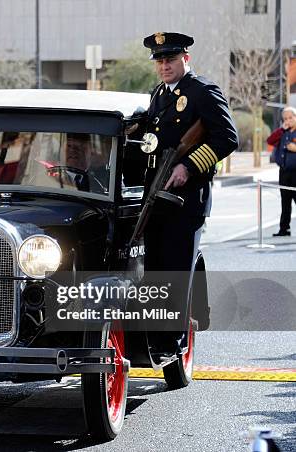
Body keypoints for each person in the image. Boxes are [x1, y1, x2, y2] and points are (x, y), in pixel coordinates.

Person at [140, 32, 238, 345]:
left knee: (176, 264)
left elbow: (227, 138)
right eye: (160, 61)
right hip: (158, 194)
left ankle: (174, 340)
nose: (164, 66)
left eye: (170, 59)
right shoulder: (158, 95)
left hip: (187, 198)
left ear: (186, 58)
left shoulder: (202, 91)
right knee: (155, 266)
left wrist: (189, 167)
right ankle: (157, 334)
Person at [268, 106, 296, 236]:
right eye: (285, 118)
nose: (288, 121)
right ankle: (284, 228)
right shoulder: (282, 132)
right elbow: (270, 140)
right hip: (284, 172)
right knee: (285, 201)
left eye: (290, 118)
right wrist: (281, 129)